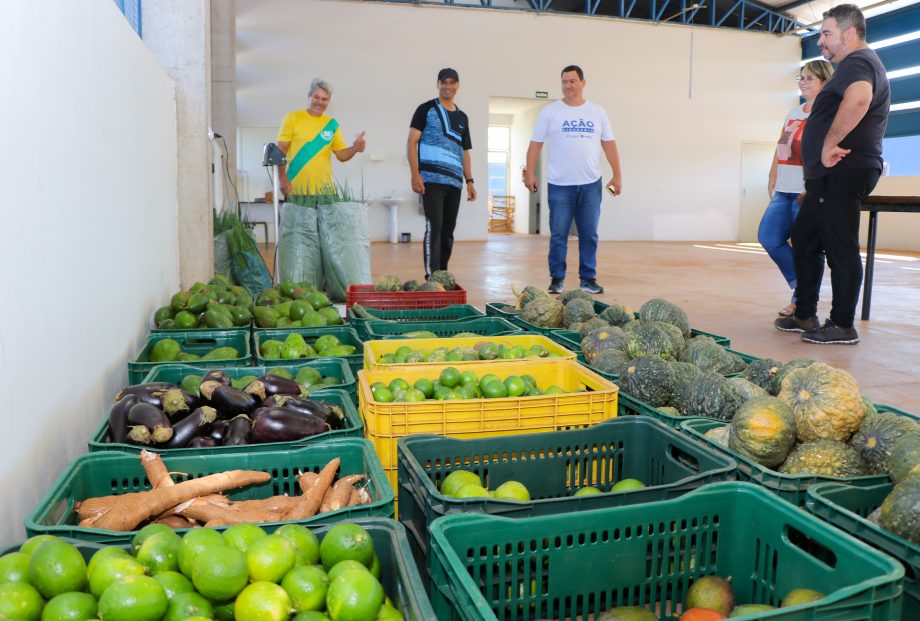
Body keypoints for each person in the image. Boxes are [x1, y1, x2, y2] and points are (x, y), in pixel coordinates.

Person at [775, 4, 890, 345]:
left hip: (842, 168)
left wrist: (828, 144)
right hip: (829, 173)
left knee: (840, 246)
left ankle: (842, 324)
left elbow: (859, 100)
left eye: (826, 34)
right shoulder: (853, 65)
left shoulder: (858, 61)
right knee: (806, 239)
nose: (821, 42)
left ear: (849, 32)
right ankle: (805, 314)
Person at [524, 65, 622, 295]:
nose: (568, 85)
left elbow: (609, 144)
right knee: (559, 234)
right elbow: (535, 144)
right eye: (564, 82)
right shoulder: (550, 112)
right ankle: (556, 278)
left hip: (591, 185)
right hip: (559, 185)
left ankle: (588, 279)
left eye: (572, 81)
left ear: (583, 83)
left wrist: (617, 175)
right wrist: (530, 171)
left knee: (589, 234)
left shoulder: (597, 112)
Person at [760, 60, 834, 317]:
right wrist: (772, 174)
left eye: (809, 78)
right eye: (800, 78)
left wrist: (814, 186)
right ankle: (801, 287)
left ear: (825, 82)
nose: (802, 82)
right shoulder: (794, 113)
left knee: (807, 247)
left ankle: (801, 299)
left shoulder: (828, 114)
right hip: (783, 189)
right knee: (768, 237)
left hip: (806, 191)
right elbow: (781, 145)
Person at [407, 68, 476, 278]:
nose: (448, 86)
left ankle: (442, 273)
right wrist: (415, 174)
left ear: (458, 85)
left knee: (448, 231)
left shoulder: (463, 117)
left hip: (454, 183)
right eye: (444, 82)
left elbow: (464, 151)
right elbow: (411, 141)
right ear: (438, 84)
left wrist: (470, 181)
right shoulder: (425, 109)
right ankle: (431, 276)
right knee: (434, 227)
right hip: (431, 181)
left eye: (452, 82)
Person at [277, 78, 366, 198]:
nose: (320, 102)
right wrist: (281, 177)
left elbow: (341, 155)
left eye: (324, 99)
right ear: (309, 96)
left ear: (329, 101)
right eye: (316, 97)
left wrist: (355, 148)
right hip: (296, 189)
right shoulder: (292, 118)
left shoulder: (332, 124)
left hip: (326, 192)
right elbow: (282, 149)